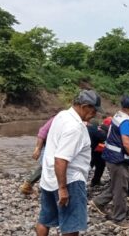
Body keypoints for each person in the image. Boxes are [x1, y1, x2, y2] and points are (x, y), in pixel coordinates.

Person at [36, 90, 102, 236]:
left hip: (49, 178)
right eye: (94, 110)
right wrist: (63, 189)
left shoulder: (62, 115)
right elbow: (61, 159)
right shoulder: (75, 127)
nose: (95, 114)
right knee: (71, 227)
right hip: (69, 180)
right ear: (85, 106)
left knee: (44, 220)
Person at [90, 96, 129, 229]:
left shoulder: (117, 116)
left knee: (117, 183)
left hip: (111, 157)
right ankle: (119, 219)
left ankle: (98, 202)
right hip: (117, 160)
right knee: (121, 189)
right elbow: (127, 144)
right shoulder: (126, 122)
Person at [20, 116, 55, 195]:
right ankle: (28, 184)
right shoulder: (59, 118)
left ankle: (29, 184)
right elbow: (43, 131)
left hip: (54, 145)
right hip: (49, 145)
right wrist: (38, 149)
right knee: (46, 165)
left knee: (48, 166)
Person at [87, 117, 111, 187]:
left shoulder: (89, 128)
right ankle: (94, 181)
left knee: (98, 165)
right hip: (94, 152)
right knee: (97, 166)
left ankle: (95, 181)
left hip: (94, 151)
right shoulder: (98, 131)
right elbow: (104, 137)